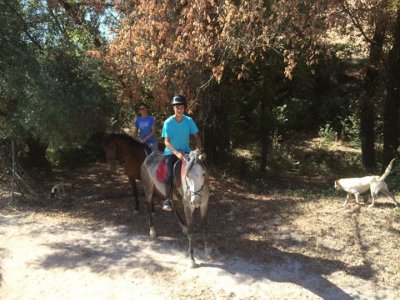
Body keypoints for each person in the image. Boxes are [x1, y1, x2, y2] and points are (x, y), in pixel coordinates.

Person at [161, 95, 202, 211]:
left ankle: (204, 191)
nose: (179, 109)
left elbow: (197, 137)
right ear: (173, 108)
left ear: (184, 108)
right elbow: (166, 142)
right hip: (171, 152)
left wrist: (198, 149)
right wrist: (177, 154)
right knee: (169, 174)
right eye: (177, 107)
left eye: (182, 107)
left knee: (199, 168)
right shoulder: (168, 123)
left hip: (186, 152)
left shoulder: (189, 121)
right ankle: (167, 199)